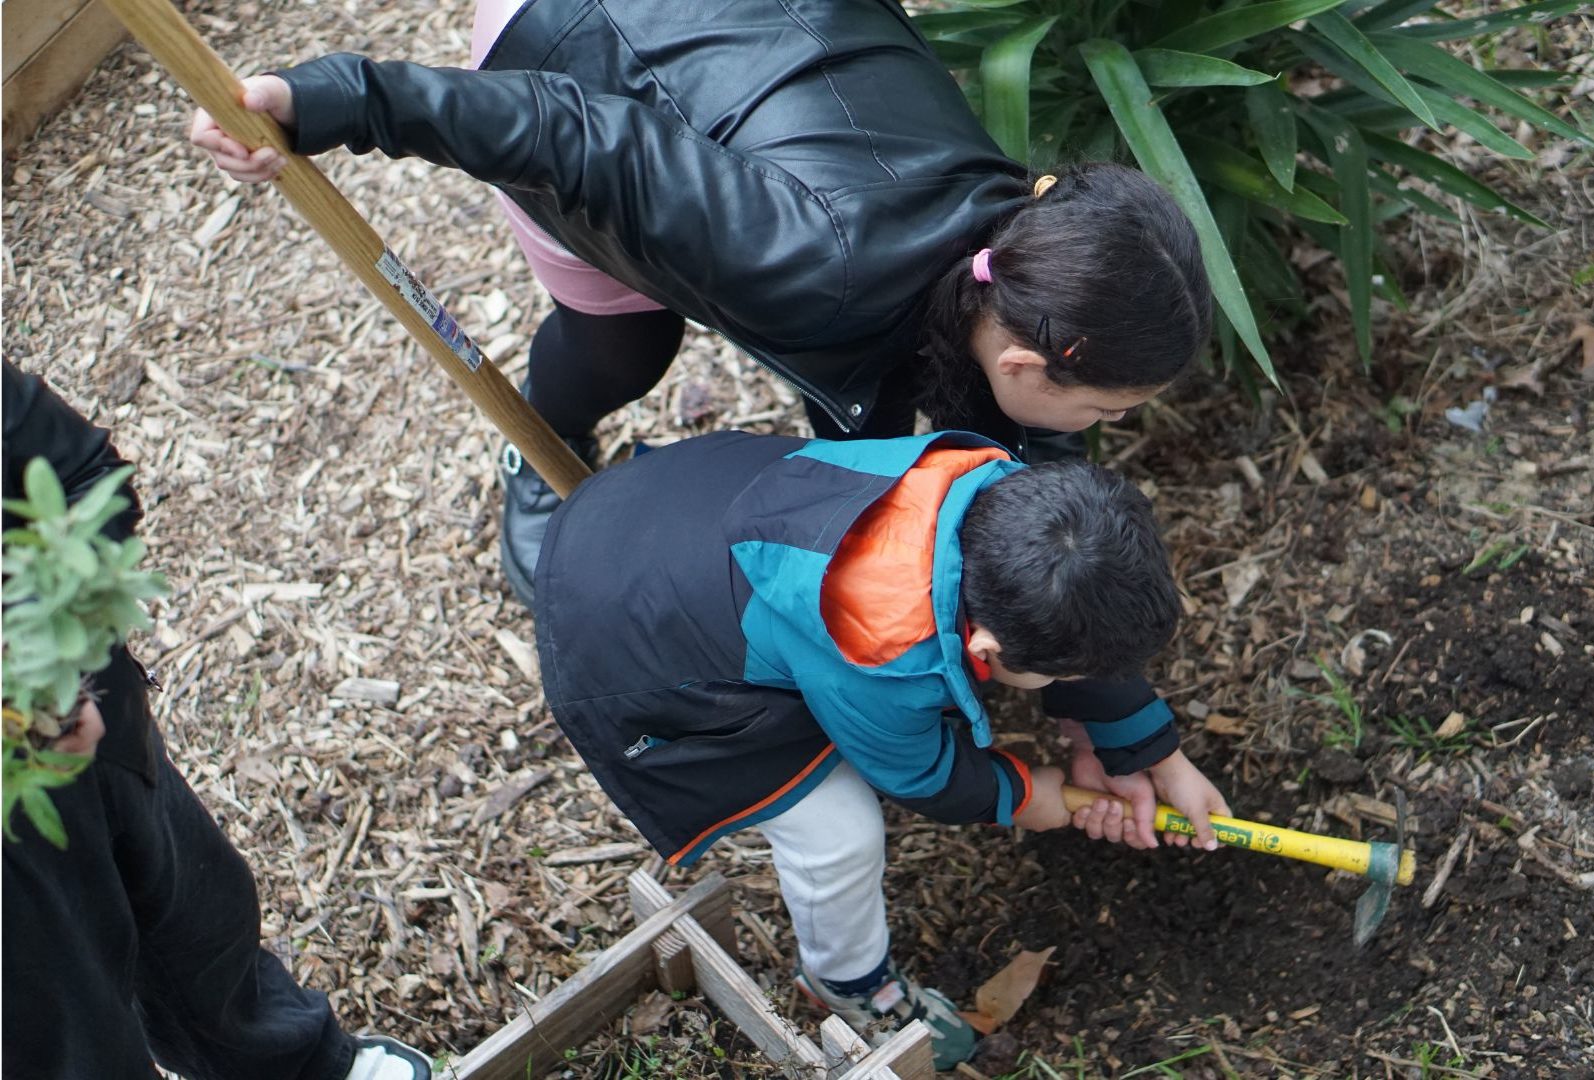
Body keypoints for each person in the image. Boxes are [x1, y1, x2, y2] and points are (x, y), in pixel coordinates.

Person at [186, 0, 1214, 609]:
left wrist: (1100, 691)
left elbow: (1020, 441)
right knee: (624, 339)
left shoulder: (1026, 248)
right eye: (1109, 410)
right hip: (584, 41)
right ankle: (541, 445)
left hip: (760, 56)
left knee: (869, 402)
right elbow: (565, 133)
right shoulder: (805, 257)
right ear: (1032, 365)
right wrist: (330, 102)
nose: (1109, 430)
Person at [528, 427, 1231, 1069]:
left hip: (645, 506)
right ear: (985, 646)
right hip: (623, 657)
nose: (1075, 683)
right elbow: (916, 775)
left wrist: (1150, 753)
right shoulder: (883, 651)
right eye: (1066, 674)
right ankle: (846, 981)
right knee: (839, 832)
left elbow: (1072, 628)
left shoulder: (995, 497)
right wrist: (1020, 795)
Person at [1, 361, 432, 1080]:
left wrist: (49, 645)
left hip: (94, 725)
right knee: (68, 1036)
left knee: (196, 918)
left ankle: (295, 1066)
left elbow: (83, 476)